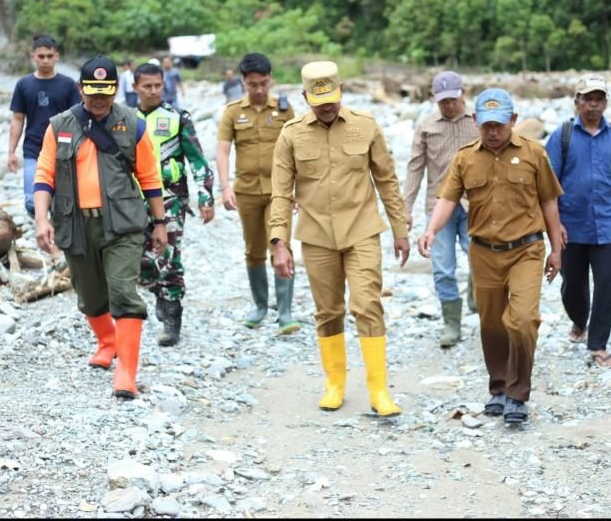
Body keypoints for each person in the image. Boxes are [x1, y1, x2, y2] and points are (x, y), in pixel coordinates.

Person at [270, 61, 411, 416]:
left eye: (331, 99)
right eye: (318, 102)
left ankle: (379, 391)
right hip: (316, 236)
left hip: (362, 230)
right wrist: (279, 243)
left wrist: (400, 229)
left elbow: (387, 180)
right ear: (305, 97)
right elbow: (281, 193)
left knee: (367, 305)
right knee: (328, 311)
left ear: (342, 91)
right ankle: (335, 384)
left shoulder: (366, 126)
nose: (327, 107)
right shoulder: (290, 135)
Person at [418, 88, 563, 425]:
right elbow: (447, 199)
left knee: (523, 320)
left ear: (513, 120)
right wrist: (431, 230)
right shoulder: (465, 158)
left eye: (499, 124)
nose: (493, 132)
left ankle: (518, 394)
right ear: (476, 122)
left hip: (526, 250)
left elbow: (549, 201)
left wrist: (557, 249)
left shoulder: (534, 153)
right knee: (492, 324)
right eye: (487, 126)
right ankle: (498, 388)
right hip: (483, 253)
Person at [33, 54, 168, 400]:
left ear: (115, 89)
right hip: (75, 225)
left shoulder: (133, 124)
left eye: (105, 92)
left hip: (122, 225)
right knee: (90, 297)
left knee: (123, 292)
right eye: (92, 91)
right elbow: (45, 176)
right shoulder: (59, 126)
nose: (99, 99)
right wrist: (41, 219)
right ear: (81, 89)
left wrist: (160, 223)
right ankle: (108, 342)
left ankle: (126, 373)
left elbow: (150, 177)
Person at [545, 74, 611, 370]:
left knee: (605, 286)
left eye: (599, 99)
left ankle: (598, 344)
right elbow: (547, 184)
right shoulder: (561, 137)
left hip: (608, 226)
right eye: (587, 98)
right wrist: (555, 225)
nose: (593, 104)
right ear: (577, 102)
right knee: (572, 287)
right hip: (570, 227)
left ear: (606, 103)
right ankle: (579, 320)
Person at [133, 62, 216, 347]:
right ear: (135, 87)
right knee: (139, 261)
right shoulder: (125, 119)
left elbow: (197, 159)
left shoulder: (178, 117)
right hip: (133, 201)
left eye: (158, 85)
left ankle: (172, 318)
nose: (153, 91)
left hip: (171, 199)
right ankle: (157, 291)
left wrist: (205, 195)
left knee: (168, 257)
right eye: (147, 86)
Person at [216, 53, 300, 334]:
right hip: (247, 192)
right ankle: (261, 306)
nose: (259, 90)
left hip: (279, 192)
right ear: (243, 81)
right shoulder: (232, 112)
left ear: (270, 79)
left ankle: (285, 312)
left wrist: (298, 187)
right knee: (254, 250)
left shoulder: (285, 110)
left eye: (264, 83)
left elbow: (299, 149)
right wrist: (225, 187)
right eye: (253, 85)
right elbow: (223, 151)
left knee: (281, 245)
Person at [403, 71, 479, 349]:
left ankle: (476, 297)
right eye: (443, 101)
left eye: (453, 99)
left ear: (463, 94)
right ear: (434, 98)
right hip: (438, 207)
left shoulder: (478, 122)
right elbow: (415, 167)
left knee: (481, 260)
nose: (449, 105)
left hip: (474, 205)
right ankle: (451, 324)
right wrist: (406, 208)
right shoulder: (426, 126)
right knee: (443, 268)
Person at [8, 34, 80, 217]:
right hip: (33, 149)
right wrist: (11, 151)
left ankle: (55, 228)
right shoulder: (23, 85)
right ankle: (41, 223)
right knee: (31, 200)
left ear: (57, 56)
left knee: (63, 200)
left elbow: (77, 118)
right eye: (41, 56)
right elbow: (18, 119)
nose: (46, 60)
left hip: (63, 149)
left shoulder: (68, 85)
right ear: (33, 56)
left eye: (49, 56)